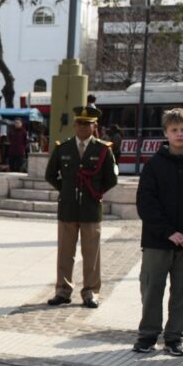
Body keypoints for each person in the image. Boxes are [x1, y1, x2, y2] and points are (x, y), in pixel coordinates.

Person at [132, 109, 183, 357]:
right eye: (174, 130)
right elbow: (146, 203)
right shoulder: (153, 166)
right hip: (158, 241)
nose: (180, 134)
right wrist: (168, 232)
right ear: (166, 133)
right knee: (151, 289)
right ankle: (147, 335)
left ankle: (175, 337)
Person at [45, 106, 118, 308]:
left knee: (91, 254)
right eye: (80, 123)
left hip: (91, 209)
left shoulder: (103, 149)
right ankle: (63, 290)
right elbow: (50, 174)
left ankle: (91, 292)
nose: (83, 127)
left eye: (88, 124)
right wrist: (66, 189)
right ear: (74, 125)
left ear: (95, 126)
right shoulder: (63, 148)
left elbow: (111, 179)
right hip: (68, 208)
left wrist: (95, 192)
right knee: (65, 253)